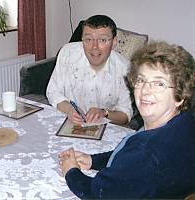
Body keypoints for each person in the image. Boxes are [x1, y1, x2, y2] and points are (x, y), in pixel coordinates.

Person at [59, 41, 195, 199]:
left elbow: (98, 194)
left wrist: (71, 172)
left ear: (180, 96)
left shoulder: (148, 152)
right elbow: (128, 161)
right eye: (141, 80)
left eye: (159, 83)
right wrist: (93, 161)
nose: (145, 90)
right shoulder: (183, 124)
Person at [46, 15, 132, 126]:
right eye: (88, 39)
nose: (94, 47)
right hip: (68, 121)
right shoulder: (67, 53)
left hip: (103, 127)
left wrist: (104, 113)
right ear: (82, 40)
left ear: (114, 42)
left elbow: (125, 114)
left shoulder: (125, 69)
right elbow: (53, 91)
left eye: (102, 40)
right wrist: (69, 109)